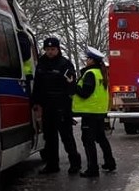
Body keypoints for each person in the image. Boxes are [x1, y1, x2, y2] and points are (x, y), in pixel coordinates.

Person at [31, 37, 82, 174]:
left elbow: (71, 86)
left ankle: (75, 163)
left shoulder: (64, 64)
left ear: (58, 49)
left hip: (61, 106)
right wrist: (36, 103)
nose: (50, 52)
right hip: (47, 106)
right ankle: (52, 164)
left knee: (67, 137)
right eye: (47, 49)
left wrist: (67, 106)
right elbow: (37, 85)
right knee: (49, 138)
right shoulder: (41, 63)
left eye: (52, 49)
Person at [71, 45, 116, 178]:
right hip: (99, 111)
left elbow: (85, 93)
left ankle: (92, 169)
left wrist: (73, 85)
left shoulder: (90, 74)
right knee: (101, 138)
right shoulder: (101, 73)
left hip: (89, 112)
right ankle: (110, 162)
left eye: (88, 58)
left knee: (88, 140)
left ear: (92, 60)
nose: (86, 60)